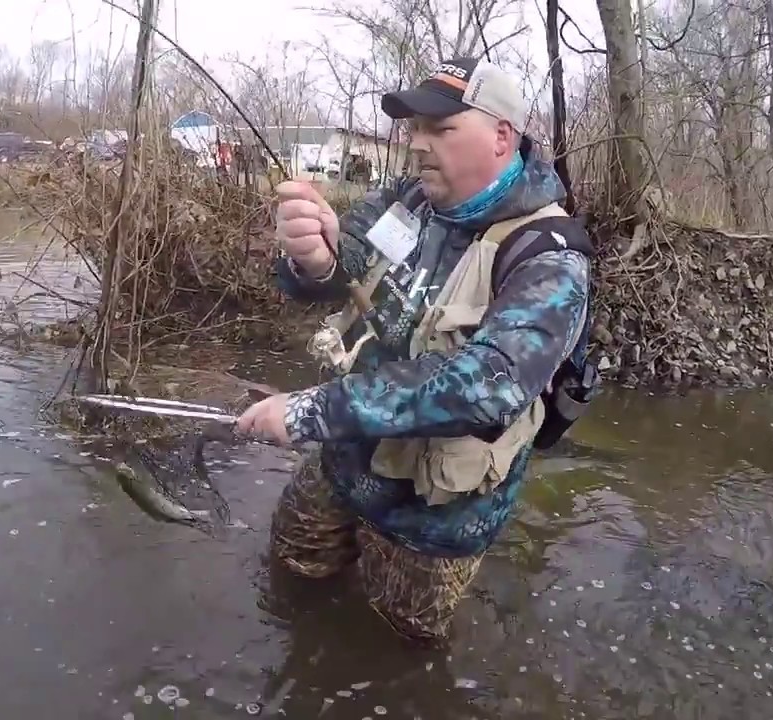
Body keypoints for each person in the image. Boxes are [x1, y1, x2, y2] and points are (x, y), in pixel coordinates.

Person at [234, 57, 597, 641]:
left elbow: (490, 386)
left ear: (502, 135)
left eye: (441, 128)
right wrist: (311, 257)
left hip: (434, 516)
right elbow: (341, 266)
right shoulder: (407, 200)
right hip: (344, 460)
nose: (418, 145)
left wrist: (312, 410)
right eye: (413, 129)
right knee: (291, 575)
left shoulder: (549, 256)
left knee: (399, 644)